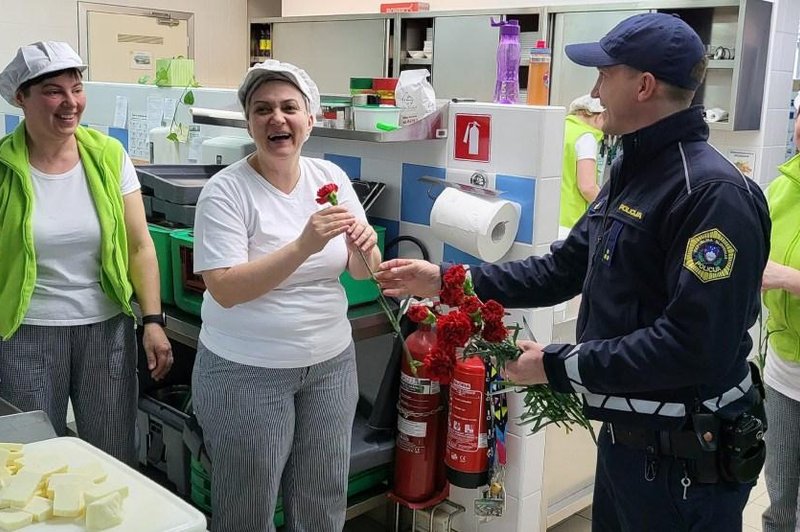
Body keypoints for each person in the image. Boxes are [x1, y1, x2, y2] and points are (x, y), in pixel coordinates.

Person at [376, 13, 770, 531]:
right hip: (629, 442)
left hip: (686, 463)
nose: (595, 88)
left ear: (644, 86)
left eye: (606, 74)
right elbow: (563, 270)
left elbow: (693, 345)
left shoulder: (711, 194)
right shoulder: (634, 170)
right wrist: (449, 282)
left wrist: (557, 364)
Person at [191, 59, 380, 532]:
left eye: (289, 107)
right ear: (250, 122)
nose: (277, 118)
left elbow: (361, 272)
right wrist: (302, 246)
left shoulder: (328, 179)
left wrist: (369, 250)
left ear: (310, 120)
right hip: (246, 371)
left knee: (322, 496)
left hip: (331, 364)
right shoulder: (226, 192)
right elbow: (225, 288)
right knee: (248, 506)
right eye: (263, 109)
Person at [0, 41, 172, 465]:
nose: (69, 102)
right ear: (21, 97)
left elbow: (139, 244)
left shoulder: (109, 156)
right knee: (33, 455)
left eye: (76, 88)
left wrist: (152, 320)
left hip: (107, 329)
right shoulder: (3, 166)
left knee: (112, 454)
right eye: (53, 90)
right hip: (27, 332)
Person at [761, 92, 800, 532]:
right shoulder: (782, 186)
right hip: (784, 369)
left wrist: (788, 278)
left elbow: (778, 272)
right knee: (780, 501)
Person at [559, 94, 605, 236]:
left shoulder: (559, 128)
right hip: (571, 222)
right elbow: (587, 187)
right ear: (596, 115)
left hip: (549, 218)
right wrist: (606, 210)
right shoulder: (586, 137)